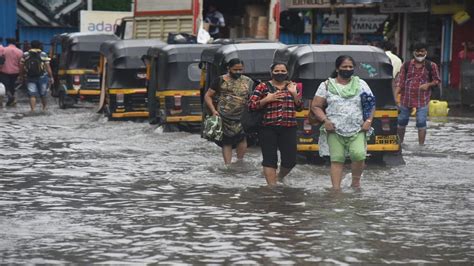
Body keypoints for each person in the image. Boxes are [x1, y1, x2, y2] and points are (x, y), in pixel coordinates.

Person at [311, 55, 375, 190]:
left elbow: (371, 104)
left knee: (359, 154)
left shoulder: (361, 84)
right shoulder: (326, 85)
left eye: (351, 67)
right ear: (337, 68)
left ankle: (355, 182)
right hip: (334, 129)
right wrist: (325, 121)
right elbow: (316, 106)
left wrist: (368, 120)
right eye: (344, 67)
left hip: (358, 129)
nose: (348, 69)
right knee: (337, 159)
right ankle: (336, 190)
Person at [248, 63, 302, 186]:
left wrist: (294, 94)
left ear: (287, 72)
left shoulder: (293, 86)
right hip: (267, 128)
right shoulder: (262, 87)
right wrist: (267, 99)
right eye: (277, 71)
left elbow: (299, 107)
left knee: (290, 161)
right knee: (269, 160)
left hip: (289, 128)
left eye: (283, 71)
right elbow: (251, 105)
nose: (280, 73)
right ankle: (271, 189)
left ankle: (279, 177)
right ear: (271, 72)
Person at [204, 58, 253, 165]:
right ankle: (228, 165)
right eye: (235, 70)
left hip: (242, 115)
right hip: (224, 115)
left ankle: (240, 161)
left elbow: (252, 97)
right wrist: (213, 111)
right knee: (226, 141)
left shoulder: (248, 81)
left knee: (242, 138)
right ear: (229, 68)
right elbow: (208, 95)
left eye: (240, 70)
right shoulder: (220, 80)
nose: (238, 72)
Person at [394, 42, 441, 145]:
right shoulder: (406, 65)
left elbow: (437, 80)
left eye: (422, 51)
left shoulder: (431, 66)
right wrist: (394, 98)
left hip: (422, 99)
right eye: (418, 51)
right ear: (413, 52)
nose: (420, 53)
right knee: (401, 122)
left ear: (426, 52)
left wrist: (428, 85)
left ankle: (421, 146)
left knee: (421, 122)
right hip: (406, 99)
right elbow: (400, 82)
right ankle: (399, 145)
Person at [18, 40, 54, 112]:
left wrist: (21, 76)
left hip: (30, 77)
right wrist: (51, 76)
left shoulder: (25, 54)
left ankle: (32, 110)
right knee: (43, 94)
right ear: (39, 46)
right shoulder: (43, 54)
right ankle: (44, 109)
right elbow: (48, 67)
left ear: (31, 46)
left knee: (32, 95)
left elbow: (21, 66)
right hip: (42, 77)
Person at [0, 38, 24, 107]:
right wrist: (21, 74)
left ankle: (10, 98)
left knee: (5, 86)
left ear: (7, 42)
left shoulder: (3, 50)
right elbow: (21, 64)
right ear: (15, 42)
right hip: (15, 72)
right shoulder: (20, 51)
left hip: (4, 71)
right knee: (12, 87)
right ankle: (11, 101)